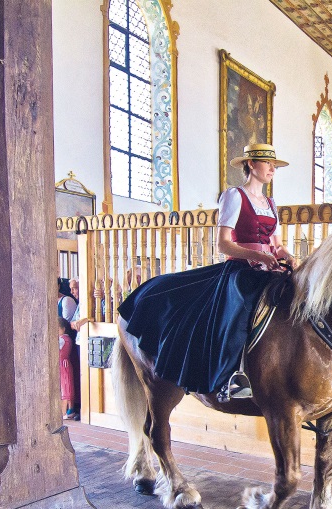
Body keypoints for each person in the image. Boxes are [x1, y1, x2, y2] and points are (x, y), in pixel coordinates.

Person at [118, 143, 295, 400]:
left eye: (274, 165)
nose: (272, 169)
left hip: (270, 270)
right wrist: (257, 255)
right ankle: (233, 376)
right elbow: (223, 243)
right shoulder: (234, 196)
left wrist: (286, 255)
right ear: (251, 164)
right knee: (238, 312)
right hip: (241, 270)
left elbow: (277, 244)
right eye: (267, 163)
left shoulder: (270, 203)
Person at [58, 317, 79, 420]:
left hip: (63, 365)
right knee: (68, 386)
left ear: (63, 329)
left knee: (64, 388)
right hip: (66, 364)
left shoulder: (62, 339)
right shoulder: (67, 339)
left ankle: (63, 412)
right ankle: (70, 409)